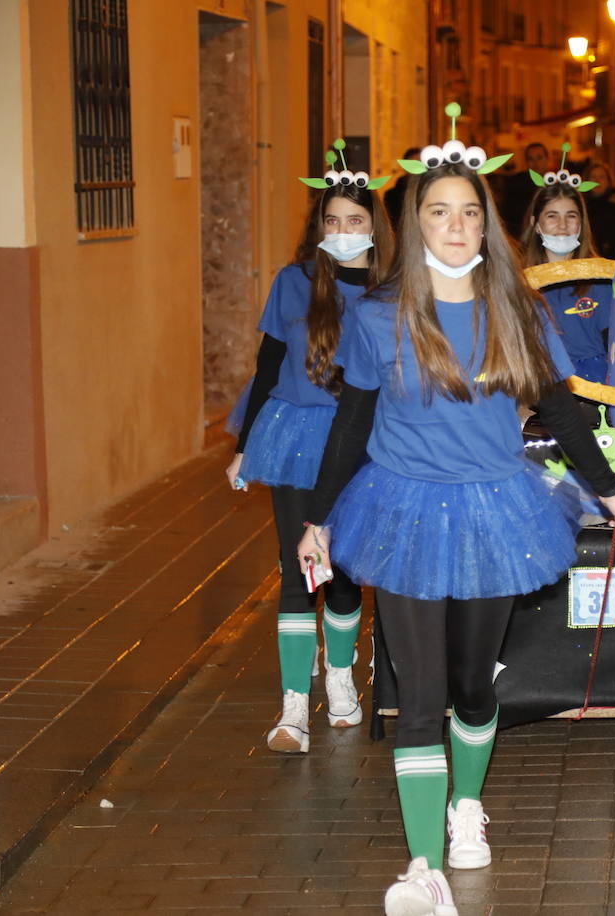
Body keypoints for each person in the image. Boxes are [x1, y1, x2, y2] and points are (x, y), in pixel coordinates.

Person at [297, 113, 615, 914]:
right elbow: (351, 422)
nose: (455, 226)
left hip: (496, 508)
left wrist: (609, 487)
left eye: (469, 211)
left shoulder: (517, 308)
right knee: (418, 696)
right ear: (414, 222)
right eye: (438, 211)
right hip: (403, 508)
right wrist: (318, 517)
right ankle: (424, 867)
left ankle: (465, 806)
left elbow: (559, 410)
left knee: (472, 686)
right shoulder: (379, 315)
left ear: (486, 220)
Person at [227, 158, 394, 754]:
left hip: (365, 444)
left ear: (375, 226)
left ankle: (342, 677)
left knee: (345, 571)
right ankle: (294, 705)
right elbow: (268, 364)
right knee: (298, 568)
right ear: (318, 225)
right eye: (333, 219)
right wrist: (243, 446)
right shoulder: (293, 281)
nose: (344, 229)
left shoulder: (393, 290)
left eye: (355, 219)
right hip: (295, 435)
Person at [520, 169, 611, 382]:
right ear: (536, 224)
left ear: (582, 223)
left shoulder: (601, 279)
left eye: (571, 216)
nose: (562, 225)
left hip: (594, 389)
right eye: (552, 216)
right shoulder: (519, 281)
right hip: (537, 388)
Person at [497, 141, 550, 237]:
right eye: (531, 159)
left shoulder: (554, 183)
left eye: (539, 158)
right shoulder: (515, 184)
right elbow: (508, 215)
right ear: (526, 162)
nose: (536, 163)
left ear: (547, 159)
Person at [582, 161, 615, 258]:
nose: (597, 181)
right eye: (593, 177)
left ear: (609, 181)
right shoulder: (581, 205)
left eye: (602, 177)